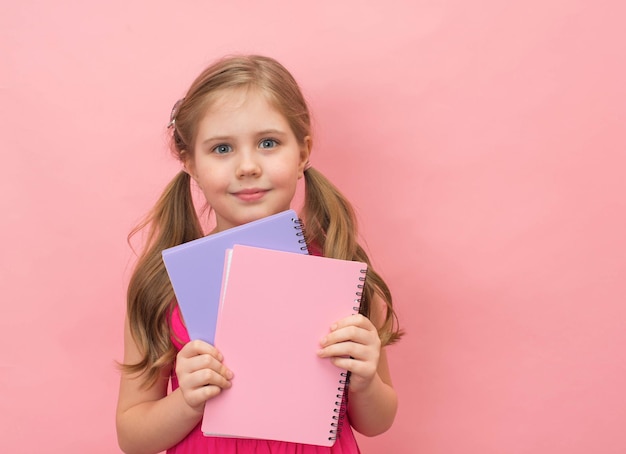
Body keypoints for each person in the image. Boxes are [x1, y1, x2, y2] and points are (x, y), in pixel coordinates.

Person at [116, 55, 403, 454]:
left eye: (268, 143)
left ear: (303, 151)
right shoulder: (162, 285)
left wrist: (367, 379)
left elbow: (378, 422)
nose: (248, 166)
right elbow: (132, 437)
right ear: (190, 162)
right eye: (221, 148)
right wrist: (187, 401)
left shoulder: (340, 269)